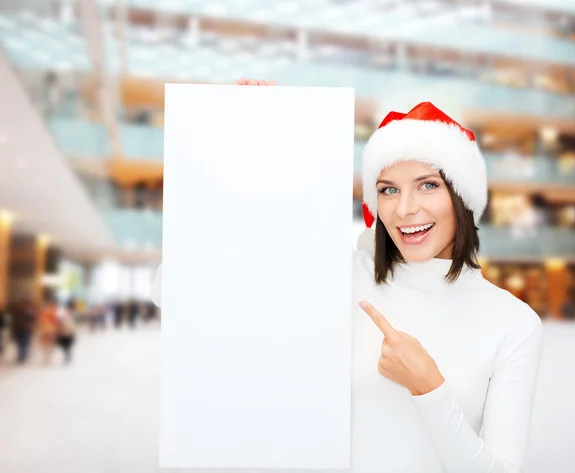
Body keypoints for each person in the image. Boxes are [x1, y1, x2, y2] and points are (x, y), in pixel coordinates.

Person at [150, 78, 544, 473]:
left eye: (427, 185)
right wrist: (247, 128)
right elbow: (177, 290)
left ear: (462, 197)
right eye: (388, 190)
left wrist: (430, 388)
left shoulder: (513, 324)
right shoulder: (342, 278)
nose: (405, 209)